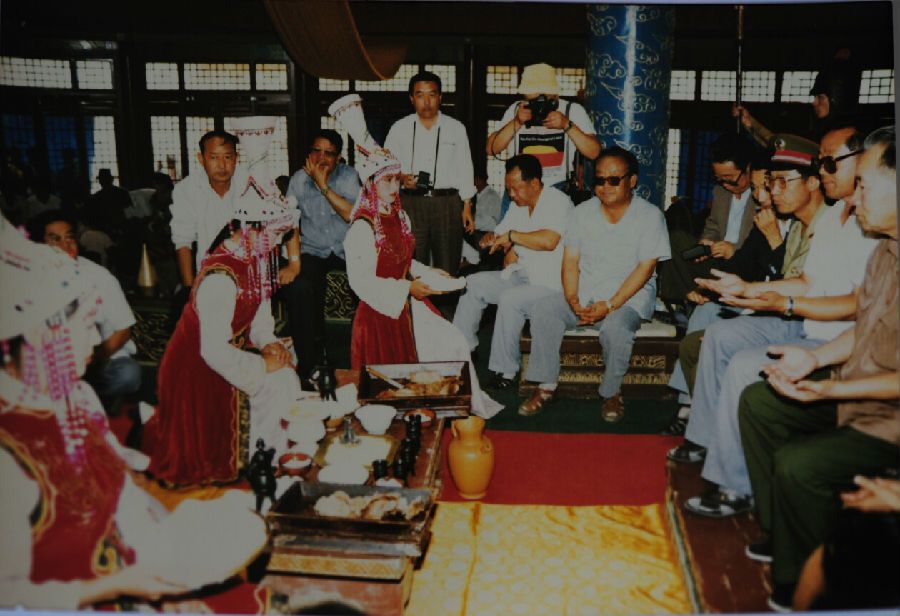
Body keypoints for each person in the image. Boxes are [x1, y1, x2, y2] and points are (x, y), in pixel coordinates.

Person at [0, 216, 264, 610]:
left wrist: (165, 578)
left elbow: (120, 498)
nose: (96, 339)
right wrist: (117, 587)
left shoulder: (78, 398)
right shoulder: (9, 447)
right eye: (85, 326)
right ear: (41, 334)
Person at [673, 130, 877, 519]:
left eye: (829, 163)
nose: (824, 170)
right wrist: (748, 289)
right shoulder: (834, 217)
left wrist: (781, 301)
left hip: (832, 334)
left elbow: (857, 304)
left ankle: (734, 486)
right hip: (807, 322)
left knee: (743, 364)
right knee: (720, 334)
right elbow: (806, 281)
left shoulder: (871, 224)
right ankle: (706, 440)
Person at [738, 126, 898, 611]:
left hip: (887, 418)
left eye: (864, 184)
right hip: (856, 389)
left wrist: (828, 391)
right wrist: (815, 360)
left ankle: (806, 583)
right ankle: (785, 533)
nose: (855, 197)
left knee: (800, 464)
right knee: (761, 402)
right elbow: (864, 325)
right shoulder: (885, 252)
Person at [145, 172, 301, 485]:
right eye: (274, 234)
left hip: (230, 351)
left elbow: (259, 315)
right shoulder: (220, 278)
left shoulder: (257, 257)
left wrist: (268, 342)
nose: (278, 243)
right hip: (197, 368)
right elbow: (212, 350)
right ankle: (263, 459)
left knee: (286, 368)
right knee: (278, 381)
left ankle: (271, 453)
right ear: (250, 229)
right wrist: (262, 364)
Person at [343, 148, 502, 418]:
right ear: (370, 183)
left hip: (404, 303)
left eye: (397, 180)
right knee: (387, 391)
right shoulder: (362, 227)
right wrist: (408, 287)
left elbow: (404, 261)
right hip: (378, 313)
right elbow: (361, 281)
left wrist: (429, 271)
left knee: (452, 341)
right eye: (386, 181)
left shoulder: (399, 216)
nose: (394, 188)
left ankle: (443, 405)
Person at [518, 147, 671, 421]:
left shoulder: (650, 216)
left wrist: (610, 305)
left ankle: (612, 393)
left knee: (616, 327)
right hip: (585, 293)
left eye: (614, 179)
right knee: (544, 310)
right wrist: (572, 298)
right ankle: (545, 385)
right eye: (599, 180)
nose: (605, 186)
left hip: (626, 299)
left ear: (632, 181)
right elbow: (570, 261)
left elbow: (645, 269)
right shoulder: (581, 213)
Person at [662, 153, 791, 436]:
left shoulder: (795, 223)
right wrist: (710, 288)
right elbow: (741, 264)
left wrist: (773, 240)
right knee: (704, 309)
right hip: (746, 294)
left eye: (766, 187)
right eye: (756, 188)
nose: (760, 196)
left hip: (773, 307)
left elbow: (787, 279)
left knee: (709, 331)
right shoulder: (761, 219)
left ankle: (704, 416)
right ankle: (687, 404)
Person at [453, 154, 573, 391]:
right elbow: (502, 234)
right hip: (521, 275)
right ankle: (462, 351)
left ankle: (506, 370)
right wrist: (492, 239)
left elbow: (549, 241)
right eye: (508, 189)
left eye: (516, 188)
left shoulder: (559, 202)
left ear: (535, 183)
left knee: (510, 299)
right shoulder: (518, 206)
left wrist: (512, 238)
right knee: (472, 283)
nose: (511, 194)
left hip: (551, 284)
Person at [169, 130, 300, 317]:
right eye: (214, 157)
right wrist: (190, 288)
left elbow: (289, 218)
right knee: (183, 309)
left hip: (257, 268)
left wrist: (294, 264)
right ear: (201, 158)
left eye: (228, 157)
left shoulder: (254, 182)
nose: (222, 165)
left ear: (236, 158)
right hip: (211, 271)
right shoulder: (187, 190)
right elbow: (183, 241)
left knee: (300, 288)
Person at [27, 210, 141, 414]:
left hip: (100, 359)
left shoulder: (99, 277)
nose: (66, 245)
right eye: (55, 240)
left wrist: (90, 364)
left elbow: (123, 331)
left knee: (128, 374)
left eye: (69, 237)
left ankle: (92, 399)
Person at [384, 71, 476, 318]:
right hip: (410, 203)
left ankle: (447, 324)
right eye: (420, 95)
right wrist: (402, 178)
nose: (426, 102)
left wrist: (467, 205)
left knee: (448, 266)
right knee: (413, 264)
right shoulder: (399, 128)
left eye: (432, 95)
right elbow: (386, 167)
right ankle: (415, 323)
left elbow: (465, 167)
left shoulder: (455, 128)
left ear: (440, 97)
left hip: (447, 202)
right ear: (411, 99)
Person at [283, 129, 361, 385]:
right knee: (300, 287)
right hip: (313, 249)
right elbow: (289, 222)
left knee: (368, 286)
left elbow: (353, 215)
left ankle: (363, 357)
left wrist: (323, 186)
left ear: (339, 158)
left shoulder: (349, 177)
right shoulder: (297, 180)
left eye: (329, 153)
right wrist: (294, 263)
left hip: (349, 248)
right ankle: (309, 366)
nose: (321, 158)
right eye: (316, 151)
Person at [486, 62, 600, 220]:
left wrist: (566, 125)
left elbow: (594, 152)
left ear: (555, 96)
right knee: (509, 233)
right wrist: (516, 122)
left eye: (544, 101)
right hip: (518, 189)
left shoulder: (572, 111)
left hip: (557, 188)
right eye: (533, 101)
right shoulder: (516, 110)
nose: (539, 107)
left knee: (552, 235)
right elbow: (491, 149)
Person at [661, 133, 757, 302]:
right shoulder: (721, 192)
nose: (725, 184)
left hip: (744, 265)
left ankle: (694, 300)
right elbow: (712, 226)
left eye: (730, 179)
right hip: (718, 260)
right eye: (719, 179)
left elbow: (764, 248)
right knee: (675, 240)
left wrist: (734, 250)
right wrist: (706, 243)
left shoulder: (763, 197)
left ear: (749, 169)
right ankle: (679, 301)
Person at [460, 172, 503, 272]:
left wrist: (473, 220)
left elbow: (494, 222)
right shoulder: (473, 195)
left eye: (474, 180)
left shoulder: (492, 196)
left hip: (485, 234)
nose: (473, 183)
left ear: (479, 179)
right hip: (472, 233)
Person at [84, 168, 130, 240]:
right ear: (112, 179)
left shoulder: (96, 197)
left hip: (106, 230)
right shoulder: (122, 192)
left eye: (103, 179)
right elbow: (129, 210)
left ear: (100, 181)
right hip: (122, 227)